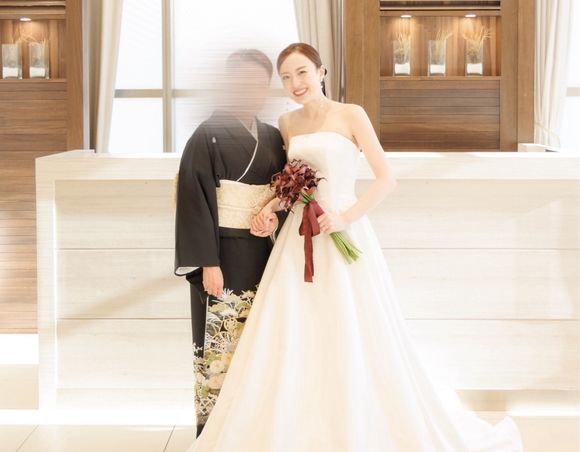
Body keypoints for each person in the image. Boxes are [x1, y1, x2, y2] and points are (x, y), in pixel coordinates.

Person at [186, 42, 525, 451]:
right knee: (294, 328)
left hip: (343, 232)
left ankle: (354, 421)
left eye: (302, 72)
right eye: (287, 77)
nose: (296, 83)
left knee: (353, 324)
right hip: (298, 240)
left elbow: (386, 179)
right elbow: (290, 186)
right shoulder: (287, 123)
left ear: (321, 72)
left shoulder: (351, 114)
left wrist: (345, 218)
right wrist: (271, 209)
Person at [174, 49, 287, 436]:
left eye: (258, 84)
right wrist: (208, 262)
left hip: (263, 252)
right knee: (220, 344)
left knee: (260, 342)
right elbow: (193, 201)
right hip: (221, 255)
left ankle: (254, 429)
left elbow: (281, 193)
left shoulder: (273, 136)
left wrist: (273, 214)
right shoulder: (205, 135)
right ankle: (214, 433)